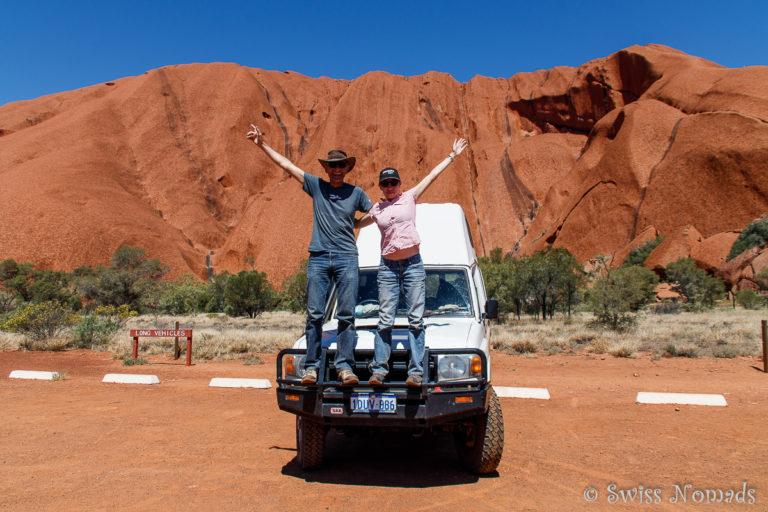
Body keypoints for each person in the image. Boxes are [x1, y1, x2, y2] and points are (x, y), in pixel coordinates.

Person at [246, 124, 372, 386]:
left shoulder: (356, 193)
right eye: (332, 166)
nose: (337, 170)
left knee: (347, 314)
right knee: (315, 314)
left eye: (341, 166)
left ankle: (344, 367)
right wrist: (261, 145)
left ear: (347, 168)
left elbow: (374, 212)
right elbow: (288, 166)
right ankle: (311, 367)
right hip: (318, 257)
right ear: (326, 169)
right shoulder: (316, 185)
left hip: (347, 256)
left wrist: (358, 224)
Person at [358, 138, 468, 387]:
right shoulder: (377, 209)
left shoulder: (409, 197)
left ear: (399, 184)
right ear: (381, 186)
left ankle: (416, 372)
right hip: (386, 267)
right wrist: (338, 217)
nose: (389, 186)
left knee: (416, 320)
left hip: (412, 265)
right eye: (385, 183)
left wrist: (451, 156)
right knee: (385, 320)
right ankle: (379, 371)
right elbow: (358, 223)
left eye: (393, 182)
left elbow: (431, 176)